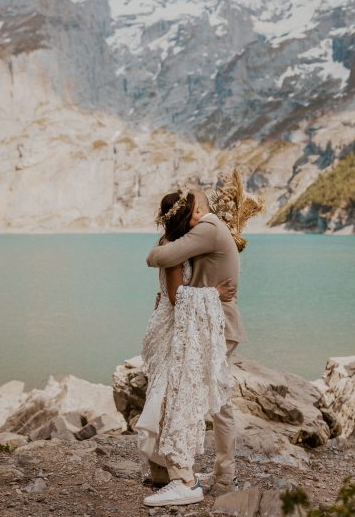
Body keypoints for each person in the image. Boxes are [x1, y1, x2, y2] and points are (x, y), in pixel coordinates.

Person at [136, 188, 236, 508]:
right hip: (175, 331)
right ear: (184, 218)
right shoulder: (174, 250)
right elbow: (178, 296)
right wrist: (214, 294)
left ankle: (172, 475)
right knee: (170, 400)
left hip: (186, 330)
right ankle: (182, 479)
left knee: (168, 399)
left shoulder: (184, 245)